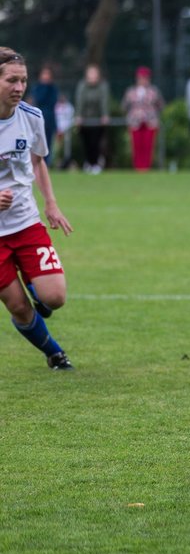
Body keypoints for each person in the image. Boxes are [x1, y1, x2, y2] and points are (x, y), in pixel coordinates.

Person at [0, 48, 74, 370]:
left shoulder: (32, 117)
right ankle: (55, 354)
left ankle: (36, 287)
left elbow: (38, 160)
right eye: (11, 80)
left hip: (26, 222)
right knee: (18, 307)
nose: (19, 87)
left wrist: (51, 204)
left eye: (23, 81)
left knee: (54, 297)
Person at [121, 67, 164, 172]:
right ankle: (138, 168)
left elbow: (160, 105)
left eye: (145, 78)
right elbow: (124, 106)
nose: (143, 80)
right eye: (141, 78)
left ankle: (146, 168)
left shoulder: (153, 91)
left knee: (148, 146)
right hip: (135, 122)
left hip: (150, 122)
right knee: (136, 146)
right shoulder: (131, 91)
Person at [74, 64, 110, 174]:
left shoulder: (103, 86)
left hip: (97, 121)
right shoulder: (82, 86)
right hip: (85, 121)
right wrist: (78, 116)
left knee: (96, 143)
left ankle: (95, 164)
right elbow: (80, 101)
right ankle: (88, 163)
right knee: (86, 143)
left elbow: (104, 102)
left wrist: (105, 115)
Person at [30, 67, 58, 165]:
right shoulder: (37, 88)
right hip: (37, 120)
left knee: (48, 143)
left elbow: (52, 102)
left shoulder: (53, 88)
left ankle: (46, 163)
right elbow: (39, 99)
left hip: (49, 120)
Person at [54, 94, 74, 170]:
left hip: (67, 131)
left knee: (67, 148)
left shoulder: (69, 107)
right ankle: (56, 163)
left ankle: (67, 161)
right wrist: (58, 129)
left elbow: (70, 120)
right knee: (56, 148)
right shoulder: (56, 106)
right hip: (57, 131)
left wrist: (64, 129)